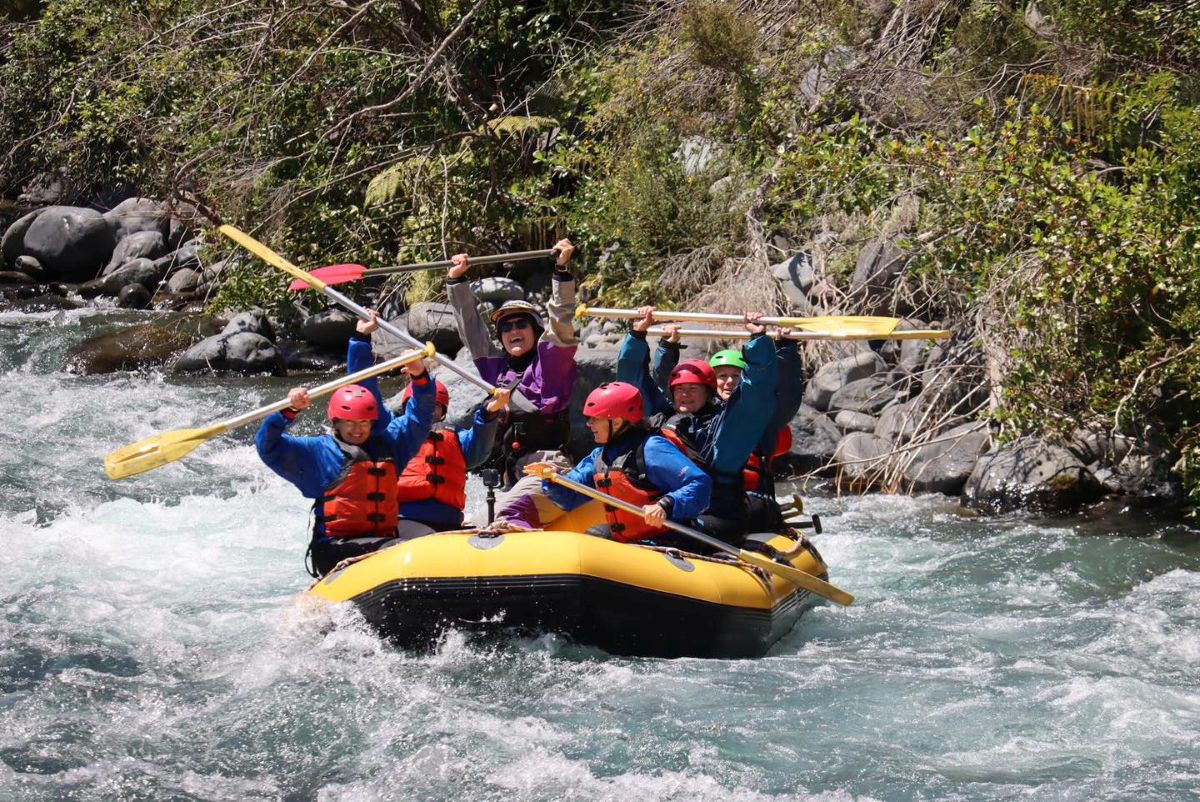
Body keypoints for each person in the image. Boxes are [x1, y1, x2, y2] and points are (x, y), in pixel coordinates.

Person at [255, 339, 435, 577]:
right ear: (336, 423)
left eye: (364, 422)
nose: (357, 430)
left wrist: (420, 377)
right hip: (335, 548)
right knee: (404, 549)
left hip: (382, 543)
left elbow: (420, 417)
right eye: (349, 423)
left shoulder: (391, 445)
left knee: (425, 546)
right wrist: (288, 411)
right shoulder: (319, 451)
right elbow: (268, 446)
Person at [446, 238, 580, 529]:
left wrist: (561, 272)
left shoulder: (550, 366)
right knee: (470, 527)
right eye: (506, 327)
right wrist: (456, 282)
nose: (513, 331)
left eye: (521, 324)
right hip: (515, 477)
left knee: (490, 523)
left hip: (549, 471)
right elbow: (472, 331)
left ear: (535, 331)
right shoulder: (497, 370)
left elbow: (561, 322)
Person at [616, 307, 778, 546]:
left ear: (708, 393)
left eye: (693, 389)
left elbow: (756, 394)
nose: (685, 395)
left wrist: (758, 341)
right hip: (666, 511)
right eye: (680, 390)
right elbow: (632, 385)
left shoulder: (723, 428)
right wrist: (637, 335)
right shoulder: (662, 419)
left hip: (717, 516)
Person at [524, 382, 711, 544]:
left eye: (594, 418)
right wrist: (552, 478)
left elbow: (700, 483)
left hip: (667, 538)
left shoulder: (652, 448)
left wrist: (666, 505)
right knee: (593, 537)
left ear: (616, 421)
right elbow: (571, 496)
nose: (589, 424)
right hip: (632, 540)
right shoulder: (600, 456)